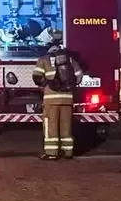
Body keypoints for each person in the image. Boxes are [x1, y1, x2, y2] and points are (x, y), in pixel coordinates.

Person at [32, 29, 83, 160]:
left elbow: (36, 78)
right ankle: (67, 152)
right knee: (66, 127)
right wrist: (70, 86)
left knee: (51, 127)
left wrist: (46, 83)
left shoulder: (43, 60)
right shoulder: (70, 60)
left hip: (51, 101)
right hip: (67, 100)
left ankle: (52, 153)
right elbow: (79, 76)